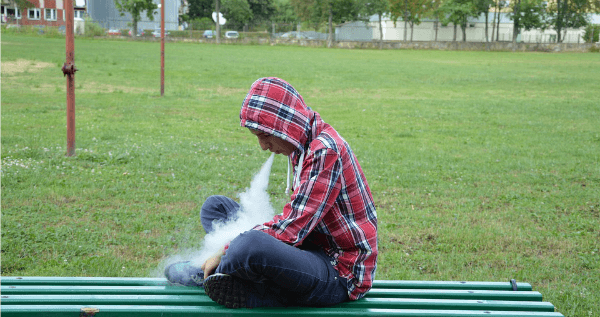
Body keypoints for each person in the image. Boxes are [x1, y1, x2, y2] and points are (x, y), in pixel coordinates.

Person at [165, 77, 377, 308]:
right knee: (215, 207)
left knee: (249, 246)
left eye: (265, 135)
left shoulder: (325, 152)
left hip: (340, 273)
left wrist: (224, 250)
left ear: (286, 125)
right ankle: (235, 274)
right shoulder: (302, 142)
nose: (263, 146)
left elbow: (292, 228)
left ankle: (228, 278)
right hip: (310, 247)